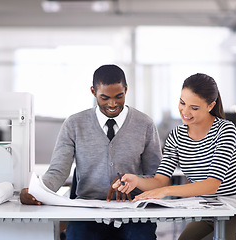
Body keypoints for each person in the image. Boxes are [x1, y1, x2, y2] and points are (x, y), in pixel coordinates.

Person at [20, 64, 162, 240]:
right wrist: (37, 191)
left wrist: (131, 182)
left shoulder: (145, 124)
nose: (112, 104)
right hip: (87, 211)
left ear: (126, 89)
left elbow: (157, 177)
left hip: (133, 210)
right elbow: (58, 171)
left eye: (119, 96)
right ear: (93, 92)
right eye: (104, 98)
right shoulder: (74, 124)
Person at [112, 73, 236, 240]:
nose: (185, 111)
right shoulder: (176, 136)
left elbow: (212, 185)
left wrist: (165, 191)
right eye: (182, 103)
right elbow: (161, 180)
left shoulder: (225, 130)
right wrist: (136, 180)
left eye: (194, 108)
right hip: (206, 216)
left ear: (210, 106)